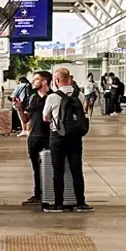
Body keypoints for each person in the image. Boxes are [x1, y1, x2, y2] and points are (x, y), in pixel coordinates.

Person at [41, 67, 91, 212]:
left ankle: (58, 204)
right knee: (77, 169)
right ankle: (81, 203)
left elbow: (45, 117)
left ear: (56, 80)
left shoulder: (52, 97)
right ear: (69, 78)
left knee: (58, 171)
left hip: (58, 136)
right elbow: (84, 112)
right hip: (75, 136)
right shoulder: (80, 95)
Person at [17, 72, 50, 204]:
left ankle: (51, 193)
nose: (32, 81)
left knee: (50, 166)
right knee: (36, 167)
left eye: (36, 79)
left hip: (49, 136)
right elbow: (26, 119)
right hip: (34, 137)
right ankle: (37, 194)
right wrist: (20, 109)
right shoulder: (32, 98)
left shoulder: (52, 97)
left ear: (44, 82)